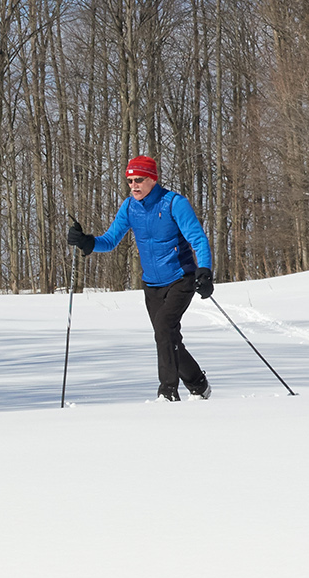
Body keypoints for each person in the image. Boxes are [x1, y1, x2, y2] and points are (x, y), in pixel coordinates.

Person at [69, 155, 214, 402]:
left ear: (153, 179)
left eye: (139, 180)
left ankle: (168, 391)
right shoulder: (129, 207)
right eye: (130, 181)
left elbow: (198, 239)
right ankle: (198, 384)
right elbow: (110, 240)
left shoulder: (174, 203)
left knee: (164, 329)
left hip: (181, 278)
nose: (134, 185)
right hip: (151, 285)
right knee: (168, 336)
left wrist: (204, 270)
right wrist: (88, 242)